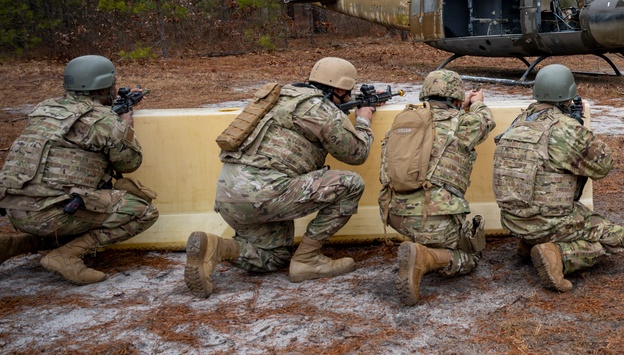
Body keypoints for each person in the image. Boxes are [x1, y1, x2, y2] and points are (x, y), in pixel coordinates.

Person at [184, 57, 375, 298]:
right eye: (348, 93)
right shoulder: (320, 109)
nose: (348, 98)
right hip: (266, 192)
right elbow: (357, 153)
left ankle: (216, 247)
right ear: (338, 89)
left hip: (229, 194)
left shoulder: (278, 98)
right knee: (351, 184)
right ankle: (307, 259)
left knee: (273, 257)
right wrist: (364, 120)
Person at [0, 55, 159, 284]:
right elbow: (129, 163)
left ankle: (16, 244)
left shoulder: (45, 109)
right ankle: (67, 256)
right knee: (144, 211)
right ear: (105, 86)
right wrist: (125, 127)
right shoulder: (105, 121)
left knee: (69, 209)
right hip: (54, 214)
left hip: (16, 211)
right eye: (113, 84)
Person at [492, 64, 624, 292]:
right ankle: (558, 256)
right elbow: (603, 166)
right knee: (615, 237)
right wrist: (578, 127)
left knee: (570, 211)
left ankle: (528, 244)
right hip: (546, 221)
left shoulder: (521, 120)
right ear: (568, 95)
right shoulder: (564, 129)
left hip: (512, 219)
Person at [379, 70, 496, 306]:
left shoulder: (403, 121)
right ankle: (427, 256)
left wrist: (456, 105)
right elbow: (486, 122)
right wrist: (477, 104)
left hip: (394, 215)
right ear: (455, 98)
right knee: (470, 257)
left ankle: (420, 245)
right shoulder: (463, 122)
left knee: (431, 226)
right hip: (434, 219)